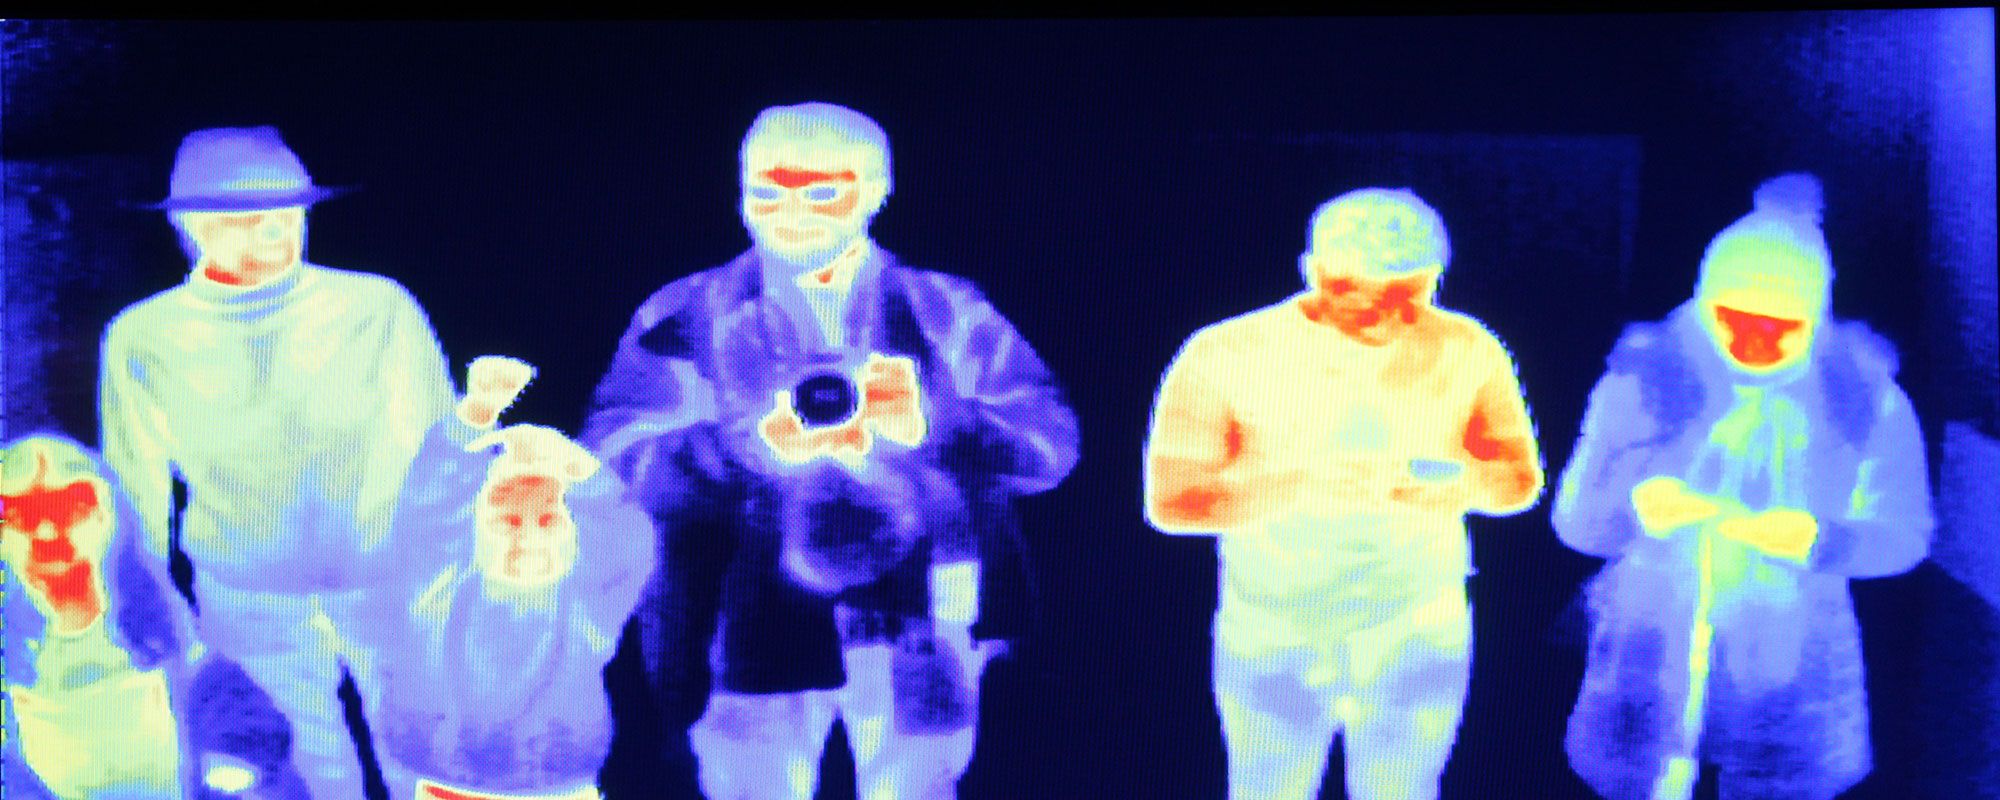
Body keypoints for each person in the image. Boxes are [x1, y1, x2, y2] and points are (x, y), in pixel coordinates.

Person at [583, 101, 1079, 800]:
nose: (790, 214)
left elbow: (1051, 447)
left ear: (877, 190)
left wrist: (938, 425)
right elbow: (608, 466)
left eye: (820, 193)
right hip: (743, 615)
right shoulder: (686, 313)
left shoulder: (945, 309)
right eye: (766, 192)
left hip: (924, 611)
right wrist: (740, 451)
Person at [1143, 187, 1544, 800]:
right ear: (1310, 270)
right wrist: (1298, 483)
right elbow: (1171, 502)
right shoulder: (1225, 353)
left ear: (1436, 278)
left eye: (1408, 297)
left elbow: (1519, 481)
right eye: (1352, 293)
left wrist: (1446, 481)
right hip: (1276, 625)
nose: (1380, 317)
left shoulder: (1468, 348)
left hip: (1416, 622)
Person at [98, 125, 457, 800]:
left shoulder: (377, 308)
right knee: (299, 768)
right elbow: (134, 482)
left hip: (387, 576)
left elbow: (438, 443)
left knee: (428, 753)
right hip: (247, 590)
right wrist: (148, 602)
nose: (271, 233)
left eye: (288, 214)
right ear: (189, 226)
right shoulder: (143, 337)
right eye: (242, 218)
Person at [1552, 173, 1934, 800]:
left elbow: (1906, 535)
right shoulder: (1641, 382)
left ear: (1816, 317)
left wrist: (1819, 540)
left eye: (1782, 325)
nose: (1754, 343)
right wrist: (1635, 510)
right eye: (1732, 318)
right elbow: (1576, 523)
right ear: (1704, 302)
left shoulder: (1865, 401)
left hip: (1792, 686)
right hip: (1644, 672)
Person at [358, 356, 655, 800]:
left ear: (575, 536)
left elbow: (624, 545)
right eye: (507, 519)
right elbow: (430, 511)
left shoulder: (585, 607)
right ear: (472, 528)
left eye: (547, 520)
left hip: (555, 787)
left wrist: (580, 473)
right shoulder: (438, 593)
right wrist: (476, 415)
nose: (527, 538)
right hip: (445, 783)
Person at [2, 433, 193, 799]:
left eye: (69, 507)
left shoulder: (178, 643)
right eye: (17, 515)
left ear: (109, 516)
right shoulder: (11, 674)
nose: (46, 533)